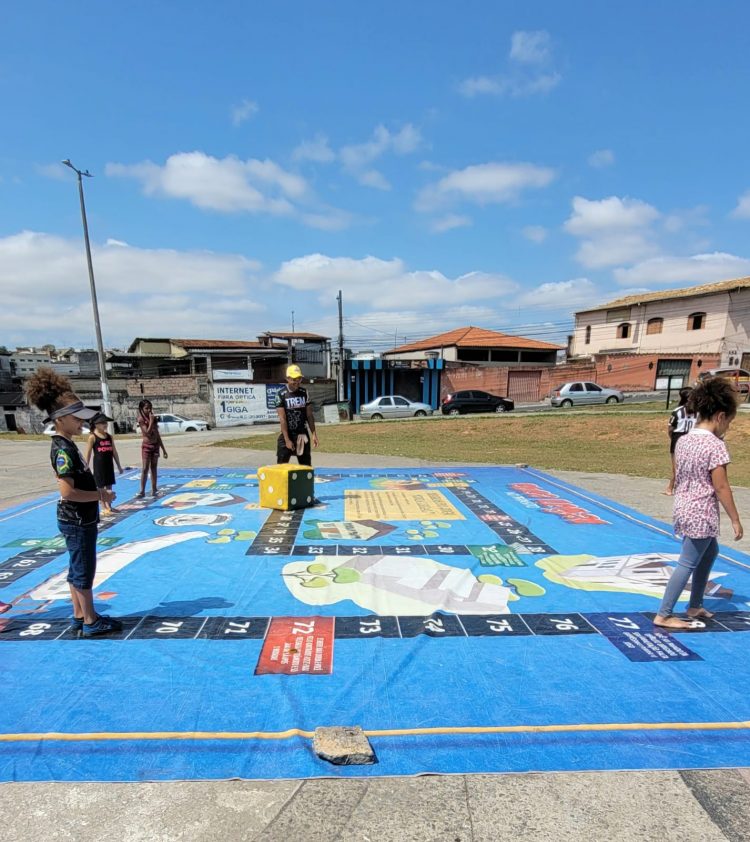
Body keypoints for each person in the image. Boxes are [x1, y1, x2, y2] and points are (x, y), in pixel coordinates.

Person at [25, 368, 122, 637]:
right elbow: (68, 492)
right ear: (63, 418)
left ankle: (80, 614)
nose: (83, 424)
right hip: (77, 519)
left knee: (76, 567)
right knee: (84, 570)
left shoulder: (67, 443)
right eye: (78, 419)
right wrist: (101, 495)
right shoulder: (62, 449)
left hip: (78, 518)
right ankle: (90, 621)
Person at [654, 376, 744, 629]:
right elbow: (721, 486)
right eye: (729, 422)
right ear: (720, 416)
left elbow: (679, 472)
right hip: (701, 511)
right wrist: (735, 519)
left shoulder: (684, 439)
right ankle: (664, 614)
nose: (727, 427)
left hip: (684, 507)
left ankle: (695, 604)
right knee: (687, 562)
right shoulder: (715, 445)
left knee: (710, 552)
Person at [275, 364, 319, 465]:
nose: (297, 381)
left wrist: (314, 434)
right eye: (294, 379)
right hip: (287, 434)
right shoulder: (281, 394)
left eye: (299, 378)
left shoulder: (304, 392)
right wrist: (287, 440)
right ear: (287, 378)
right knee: (281, 467)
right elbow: (282, 419)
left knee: (305, 467)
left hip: (302, 435)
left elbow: (309, 415)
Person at [84, 412, 123, 514]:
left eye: (105, 423)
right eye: (102, 423)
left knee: (109, 486)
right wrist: (86, 466)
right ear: (96, 424)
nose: (105, 425)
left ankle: (109, 505)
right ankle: (104, 506)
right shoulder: (92, 437)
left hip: (109, 465)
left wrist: (119, 466)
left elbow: (114, 451)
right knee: (100, 487)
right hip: (99, 466)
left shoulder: (109, 437)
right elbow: (88, 453)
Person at [664, 387, 696, 495]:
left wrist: (672, 438)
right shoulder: (698, 411)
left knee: (676, 466)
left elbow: (670, 428)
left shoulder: (677, 411)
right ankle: (687, 488)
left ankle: (670, 488)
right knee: (690, 465)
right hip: (692, 438)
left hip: (678, 438)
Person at [136, 400, 167, 498]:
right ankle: (142, 491)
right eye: (146, 408)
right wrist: (151, 421)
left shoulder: (152, 418)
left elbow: (157, 434)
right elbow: (147, 433)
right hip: (147, 447)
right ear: (141, 409)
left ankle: (154, 489)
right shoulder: (141, 419)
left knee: (154, 468)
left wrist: (163, 449)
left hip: (155, 446)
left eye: (150, 408)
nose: (149, 410)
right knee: (145, 468)